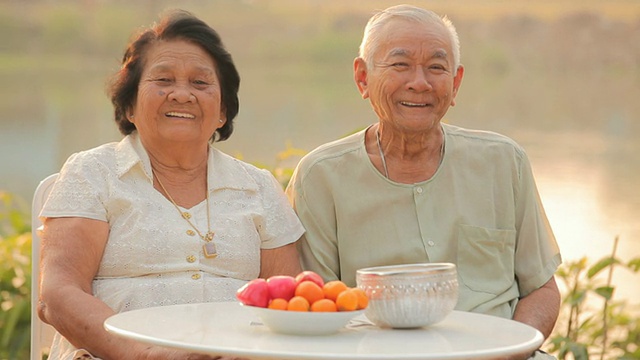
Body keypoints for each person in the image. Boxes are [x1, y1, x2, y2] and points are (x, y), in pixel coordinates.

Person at [286, 5, 562, 358]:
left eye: (436, 67)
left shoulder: (504, 161)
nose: (420, 82)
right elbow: (320, 312)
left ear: (456, 81)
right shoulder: (321, 177)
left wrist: (513, 352)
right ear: (362, 78)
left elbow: (541, 289)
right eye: (400, 65)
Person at [38, 10, 304, 360]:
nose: (182, 94)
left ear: (222, 110)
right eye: (163, 80)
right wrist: (148, 355)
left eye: (200, 83)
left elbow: (288, 301)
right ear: (130, 104)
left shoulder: (259, 187)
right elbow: (58, 293)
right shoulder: (92, 173)